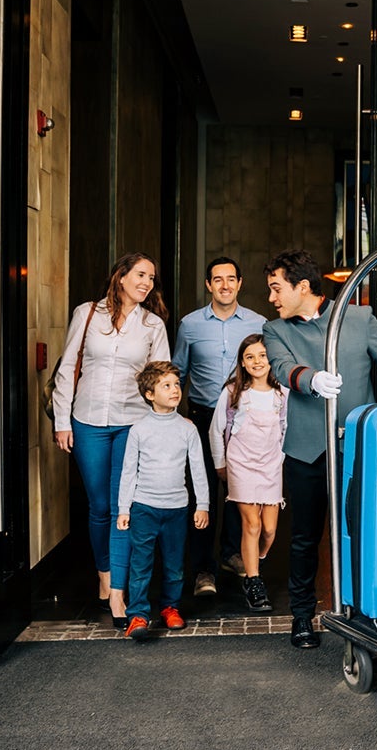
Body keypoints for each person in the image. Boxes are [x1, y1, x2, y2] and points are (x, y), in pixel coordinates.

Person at [261, 249, 377, 648]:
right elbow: (280, 368)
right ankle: (301, 616)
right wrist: (310, 380)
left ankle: (365, 609)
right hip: (307, 450)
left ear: (303, 286)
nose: (272, 298)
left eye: (277, 288)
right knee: (305, 537)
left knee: (361, 530)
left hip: (357, 448)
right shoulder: (275, 329)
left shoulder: (359, 318)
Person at [51, 252, 171, 626]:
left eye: (151, 277)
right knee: (99, 506)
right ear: (121, 277)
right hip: (87, 421)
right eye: (140, 274)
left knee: (124, 507)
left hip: (133, 424)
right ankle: (103, 572)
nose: (147, 282)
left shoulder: (153, 325)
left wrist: (162, 428)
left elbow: (162, 377)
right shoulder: (87, 313)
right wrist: (61, 421)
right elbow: (68, 366)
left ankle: (117, 591)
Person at [172, 256, 266, 597]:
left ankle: (231, 554)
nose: (225, 285)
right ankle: (202, 570)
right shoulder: (190, 324)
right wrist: (173, 415)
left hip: (244, 418)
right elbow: (178, 371)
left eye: (231, 279)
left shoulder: (259, 324)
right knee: (203, 492)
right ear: (208, 285)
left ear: (240, 283)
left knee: (239, 490)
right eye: (217, 279)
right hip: (200, 416)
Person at [116, 361, 210, 641]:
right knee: (141, 563)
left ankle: (170, 607)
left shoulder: (187, 429)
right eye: (166, 385)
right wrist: (124, 508)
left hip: (177, 509)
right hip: (144, 508)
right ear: (149, 394)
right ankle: (138, 615)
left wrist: (202, 504)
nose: (174, 390)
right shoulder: (139, 430)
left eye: (176, 384)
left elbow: (198, 469)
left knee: (173, 564)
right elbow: (128, 471)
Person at [208, 334, 286, 613]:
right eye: (250, 357)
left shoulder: (282, 393)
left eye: (263, 355)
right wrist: (220, 464)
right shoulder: (232, 392)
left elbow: (285, 429)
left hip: (270, 465)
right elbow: (216, 430)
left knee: (269, 529)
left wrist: (281, 459)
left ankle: (256, 558)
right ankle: (254, 582)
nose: (257, 362)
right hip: (241, 464)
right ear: (242, 362)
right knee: (251, 525)